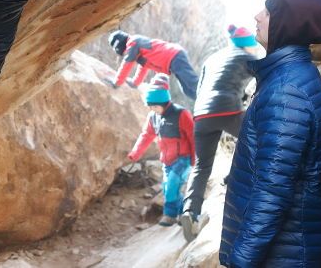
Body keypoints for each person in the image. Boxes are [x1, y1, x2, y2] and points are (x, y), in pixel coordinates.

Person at [220, 0, 321, 268]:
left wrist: (242, 260)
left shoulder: (287, 92)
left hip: (286, 255)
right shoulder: (287, 79)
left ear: (288, 25)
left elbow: (273, 190)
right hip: (286, 251)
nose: (257, 16)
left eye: (269, 11)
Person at [180, 25, 259, 242]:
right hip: (227, 108)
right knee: (257, 138)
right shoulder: (247, 57)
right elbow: (263, 83)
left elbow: (199, 89)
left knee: (202, 166)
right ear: (247, 44)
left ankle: (190, 212)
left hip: (201, 114)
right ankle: (234, 177)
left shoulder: (212, 58)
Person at [128, 74, 196, 226]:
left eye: (154, 106)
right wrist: (135, 153)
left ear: (163, 102)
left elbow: (193, 136)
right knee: (167, 189)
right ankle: (184, 214)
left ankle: (169, 216)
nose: (152, 109)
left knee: (172, 185)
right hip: (166, 160)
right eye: (150, 106)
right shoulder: (153, 117)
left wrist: (194, 159)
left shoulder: (181, 114)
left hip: (182, 158)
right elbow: (146, 135)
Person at [108, 31, 200, 99]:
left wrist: (116, 82)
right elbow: (143, 67)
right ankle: (205, 105)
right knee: (187, 90)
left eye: (124, 52)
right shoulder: (138, 50)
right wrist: (135, 83)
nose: (125, 54)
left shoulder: (133, 42)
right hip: (173, 58)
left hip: (174, 55)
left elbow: (127, 63)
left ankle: (212, 98)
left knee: (192, 83)